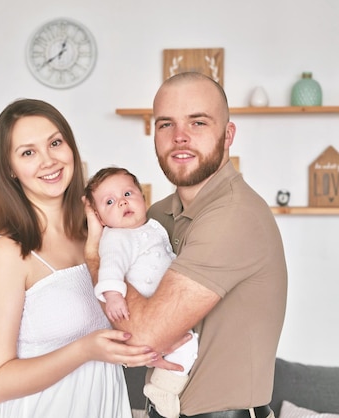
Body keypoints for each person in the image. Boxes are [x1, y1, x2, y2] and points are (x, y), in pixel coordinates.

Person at [84, 72, 288, 418]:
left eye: (197, 122)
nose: (180, 137)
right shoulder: (156, 216)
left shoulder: (235, 216)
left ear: (228, 135)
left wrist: (92, 254)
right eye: (166, 125)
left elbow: (143, 335)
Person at [0, 98, 160, 418]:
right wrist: (86, 350)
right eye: (28, 152)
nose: (48, 161)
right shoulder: (6, 252)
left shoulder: (99, 236)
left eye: (55, 143)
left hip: (105, 404)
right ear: (10, 168)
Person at [84, 166, 199, 418]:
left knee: (188, 343)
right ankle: (162, 389)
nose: (122, 201)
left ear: (142, 196)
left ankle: (163, 378)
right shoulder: (117, 238)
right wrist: (112, 294)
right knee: (189, 346)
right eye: (110, 201)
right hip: (149, 306)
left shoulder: (153, 226)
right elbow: (110, 266)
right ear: (101, 219)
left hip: (163, 301)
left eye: (128, 193)